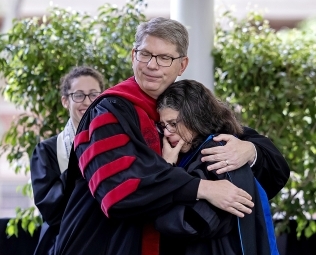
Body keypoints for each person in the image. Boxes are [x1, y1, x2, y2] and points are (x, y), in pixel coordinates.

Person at [54, 17, 289, 255]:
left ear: (182, 65)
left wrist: (250, 151)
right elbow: (117, 192)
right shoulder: (108, 112)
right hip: (103, 242)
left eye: (165, 58)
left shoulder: (185, 104)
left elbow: (267, 159)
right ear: (133, 56)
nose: (152, 65)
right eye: (145, 54)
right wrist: (203, 188)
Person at [155, 79, 279, 254]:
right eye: (163, 126)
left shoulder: (216, 154)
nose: (167, 133)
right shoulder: (195, 152)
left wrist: (167, 170)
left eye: (173, 124)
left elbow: (187, 224)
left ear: (194, 116)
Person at [30, 66, 104, 255]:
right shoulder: (47, 151)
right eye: (78, 95)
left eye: (94, 95)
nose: (87, 102)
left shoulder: (113, 144)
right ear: (65, 101)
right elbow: (51, 212)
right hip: (64, 244)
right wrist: (81, 156)